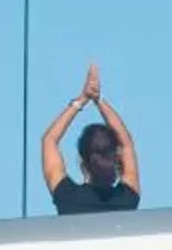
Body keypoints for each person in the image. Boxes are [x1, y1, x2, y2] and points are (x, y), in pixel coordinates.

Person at [40, 63, 140, 213]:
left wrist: (81, 100)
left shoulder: (67, 198)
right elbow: (127, 143)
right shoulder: (127, 199)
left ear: (83, 162)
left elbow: (49, 140)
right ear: (117, 158)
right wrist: (98, 99)